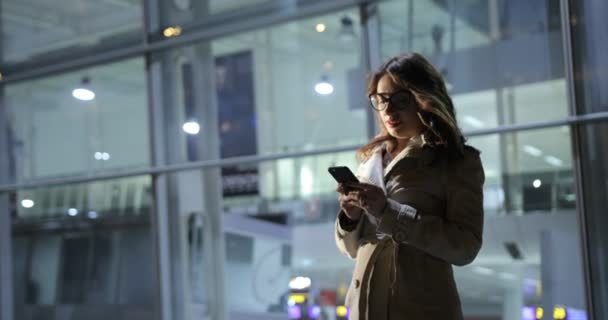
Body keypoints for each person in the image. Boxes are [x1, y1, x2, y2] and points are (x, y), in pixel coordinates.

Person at [334, 53, 484, 320]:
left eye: (400, 100)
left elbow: (465, 247)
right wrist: (350, 217)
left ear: (424, 98)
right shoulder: (371, 161)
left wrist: (387, 211)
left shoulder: (457, 161)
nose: (389, 111)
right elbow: (352, 249)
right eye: (381, 100)